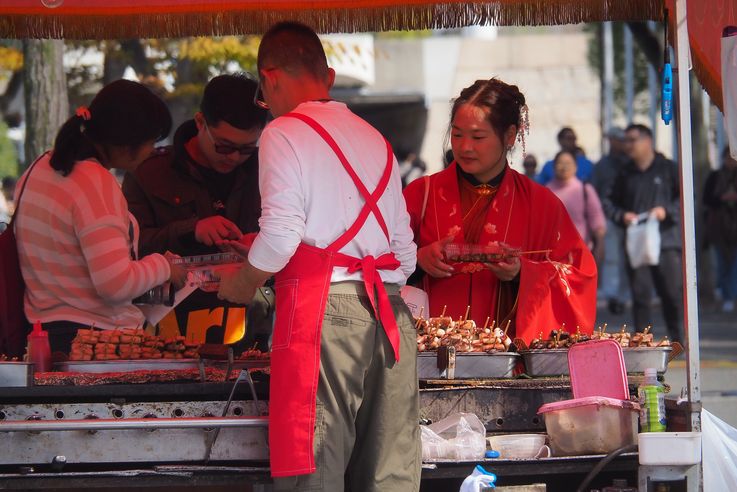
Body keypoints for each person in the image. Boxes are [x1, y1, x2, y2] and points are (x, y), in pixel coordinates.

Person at [217, 22, 419, 491]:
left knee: (317, 466)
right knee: (388, 472)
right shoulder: (376, 138)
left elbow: (282, 235)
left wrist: (243, 284)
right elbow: (404, 254)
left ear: (269, 78)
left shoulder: (283, 133)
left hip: (324, 313)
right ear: (327, 76)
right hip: (391, 314)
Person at [403, 78, 597, 344]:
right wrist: (416, 260)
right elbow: (375, 261)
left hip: (508, 359)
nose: (464, 146)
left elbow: (581, 276)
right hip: (427, 355)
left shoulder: (542, 204)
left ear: (509, 135)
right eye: (457, 134)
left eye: (478, 137)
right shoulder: (419, 195)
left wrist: (523, 273)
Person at [13, 80, 186, 353]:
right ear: (126, 143)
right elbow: (115, 284)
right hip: (97, 345)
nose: (152, 150)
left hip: (42, 336)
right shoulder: (96, 185)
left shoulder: (39, 167)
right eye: (151, 141)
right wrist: (163, 266)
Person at [122, 74, 272, 349]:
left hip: (251, 332)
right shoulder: (150, 172)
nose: (234, 157)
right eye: (224, 146)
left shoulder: (268, 171)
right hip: (169, 333)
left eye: (247, 149)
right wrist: (191, 229)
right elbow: (127, 251)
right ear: (201, 122)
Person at [603, 123, 682, 343]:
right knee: (641, 296)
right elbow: (609, 202)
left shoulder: (668, 168)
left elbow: (685, 198)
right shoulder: (624, 173)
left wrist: (666, 211)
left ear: (647, 141)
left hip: (666, 241)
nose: (628, 145)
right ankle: (643, 343)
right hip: (637, 242)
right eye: (625, 140)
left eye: (632, 140)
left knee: (672, 295)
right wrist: (623, 216)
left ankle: (679, 342)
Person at [591, 127, 629, 315]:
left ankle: (623, 295)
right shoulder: (602, 166)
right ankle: (612, 295)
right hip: (609, 217)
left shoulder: (630, 163)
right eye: (618, 139)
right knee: (612, 258)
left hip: (629, 216)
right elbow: (594, 192)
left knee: (628, 257)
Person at [546, 149, 606, 264]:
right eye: (560, 163)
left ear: (575, 167)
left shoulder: (585, 189)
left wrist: (600, 244)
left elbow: (596, 218)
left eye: (568, 163)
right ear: (553, 167)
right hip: (552, 256)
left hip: (581, 252)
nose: (564, 167)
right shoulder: (545, 191)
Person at [703, 148, 737, 312]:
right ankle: (727, 297)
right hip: (719, 229)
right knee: (723, 265)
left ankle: (730, 295)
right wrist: (722, 198)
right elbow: (707, 199)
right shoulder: (715, 176)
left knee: (734, 265)